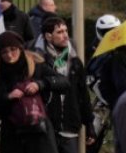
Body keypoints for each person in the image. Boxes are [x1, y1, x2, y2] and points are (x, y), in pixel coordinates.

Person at [0, 31, 61, 152]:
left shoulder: (35, 65)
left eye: (13, 49)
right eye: (4, 52)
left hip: (39, 131)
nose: (10, 55)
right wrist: (8, 97)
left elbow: (63, 82)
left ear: (20, 48)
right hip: (12, 135)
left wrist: (40, 84)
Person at [34, 17, 95, 152]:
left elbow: (83, 94)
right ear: (48, 36)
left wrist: (89, 123)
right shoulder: (39, 61)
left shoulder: (74, 61)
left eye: (66, 31)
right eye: (60, 32)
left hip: (69, 125)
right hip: (46, 125)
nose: (65, 35)